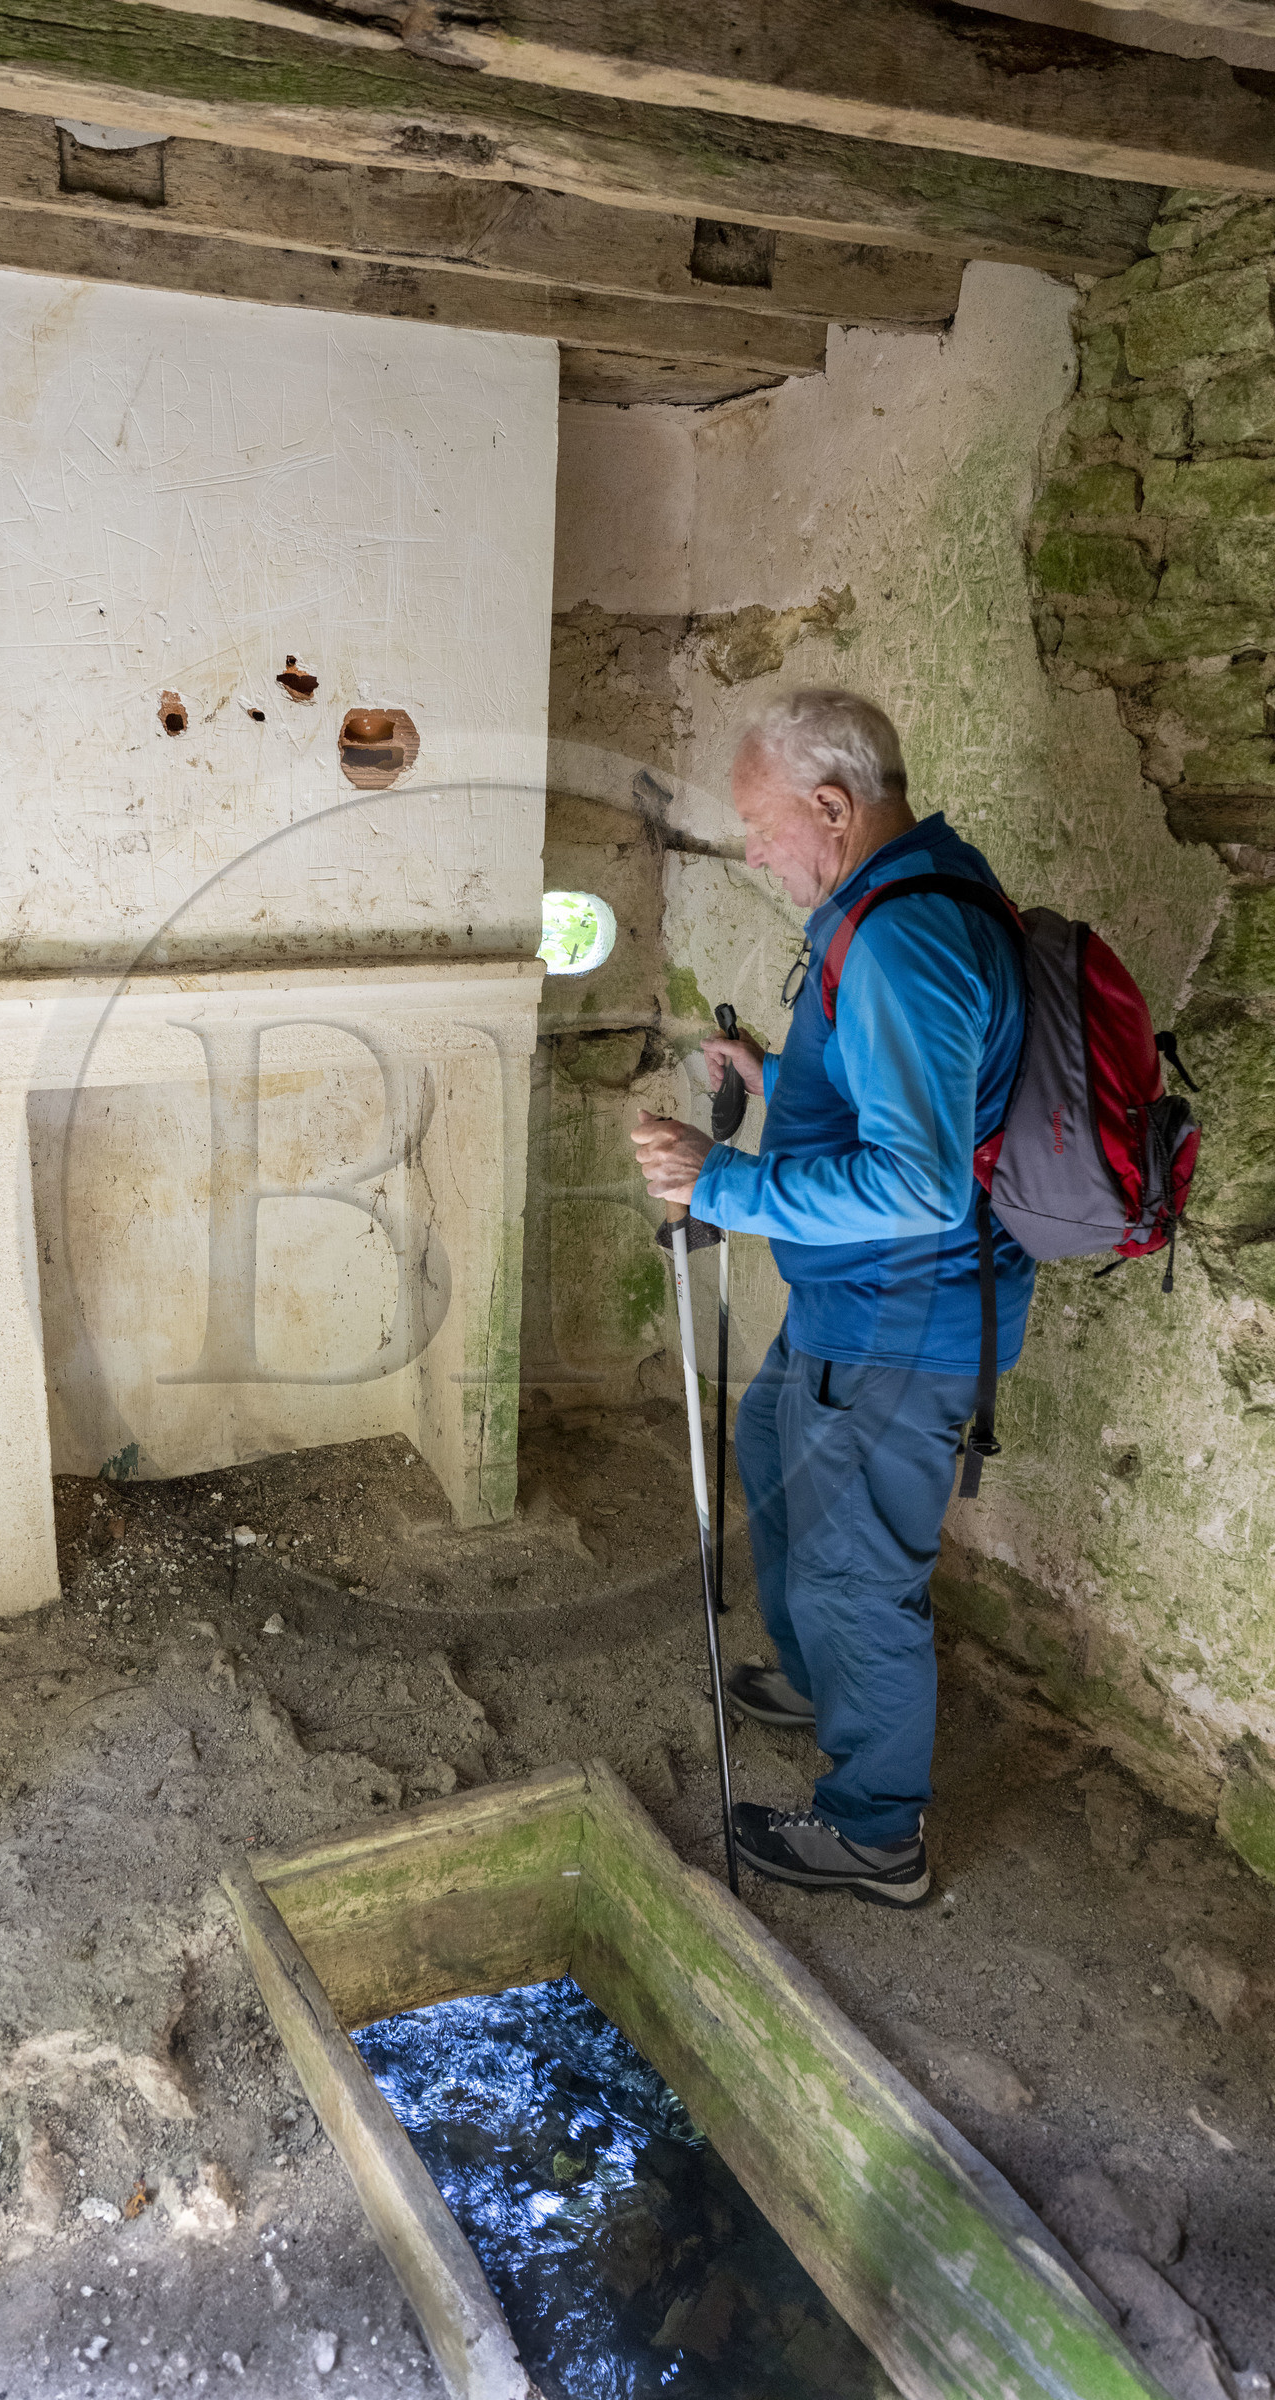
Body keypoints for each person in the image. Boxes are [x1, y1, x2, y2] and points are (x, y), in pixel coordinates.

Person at [631, 689, 1033, 1909]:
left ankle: (874, 1837)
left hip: (896, 1323)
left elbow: (917, 1182)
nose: (755, 855)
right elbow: (907, 1093)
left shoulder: (903, 936)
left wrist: (720, 1182)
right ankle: (821, 1682)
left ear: (830, 806)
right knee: (770, 1449)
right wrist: (776, 1076)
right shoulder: (915, 883)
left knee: (857, 1577)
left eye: (761, 828)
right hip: (854, 1308)